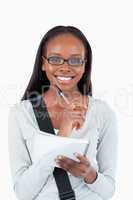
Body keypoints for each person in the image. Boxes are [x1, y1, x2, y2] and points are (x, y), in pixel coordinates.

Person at [8, 26, 118, 200]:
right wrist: (64, 134)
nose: (65, 68)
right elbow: (23, 193)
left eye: (75, 60)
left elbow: (108, 190)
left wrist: (90, 174)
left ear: (85, 64)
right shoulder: (21, 113)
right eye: (55, 59)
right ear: (43, 63)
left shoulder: (102, 113)